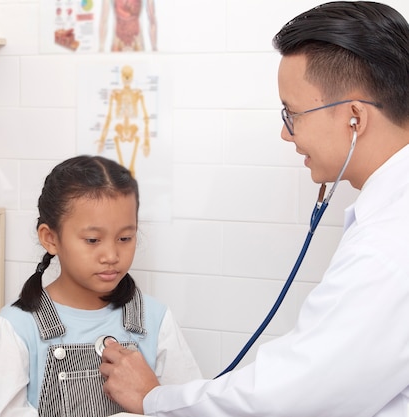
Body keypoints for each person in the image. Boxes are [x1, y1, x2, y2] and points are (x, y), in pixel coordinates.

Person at [99, 2, 409, 416]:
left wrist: (153, 400)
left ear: (355, 118)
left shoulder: (386, 246)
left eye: (293, 113)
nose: (285, 132)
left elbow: (295, 395)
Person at [0, 155, 200, 417]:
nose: (111, 255)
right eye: (92, 240)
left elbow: (189, 409)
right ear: (50, 238)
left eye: (125, 237)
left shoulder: (155, 321)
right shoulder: (18, 327)